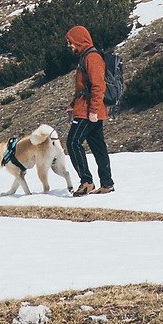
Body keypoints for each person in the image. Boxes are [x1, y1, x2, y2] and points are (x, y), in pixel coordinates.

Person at [64, 24, 114, 196]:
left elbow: (98, 86)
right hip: (86, 108)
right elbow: (83, 88)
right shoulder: (85, 57)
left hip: (88, 111)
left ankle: (86, 182)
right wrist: (72, 105)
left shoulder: (92, 57)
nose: (69, 45)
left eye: (70, 42)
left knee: (73, 143)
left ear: (79, 40)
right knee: (98, 146)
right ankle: (107, 184)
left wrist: (93, 110)